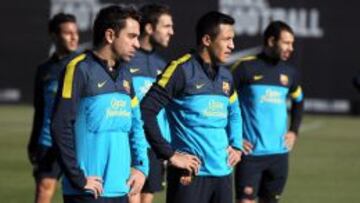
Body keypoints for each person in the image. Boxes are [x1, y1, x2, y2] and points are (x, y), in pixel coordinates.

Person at [140, 11, 243, 203]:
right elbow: (146, 111)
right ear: (206, 39)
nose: (232, 46)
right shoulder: (180, 70)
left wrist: (236, 145)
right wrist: (169, 154)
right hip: (189, 175)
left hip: (223, 175)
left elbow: (235, 112)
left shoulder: (226, 76)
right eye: (227, 39)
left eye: (233, 40)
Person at [51, 5, 149, 203]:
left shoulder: (126, 75)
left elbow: (137, 124)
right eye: (131, 36)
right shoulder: (79, 69)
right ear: (110, 35)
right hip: (87, 193)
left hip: (121, 191)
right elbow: (60, 126)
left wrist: (141, 167)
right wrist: (77, 178)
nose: (137, 44)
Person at [231, 21, 304, 203]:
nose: (291, 48)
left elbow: (299, 101)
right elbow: (222, 101)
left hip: (279, 156)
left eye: (292, 43)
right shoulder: (244, 68)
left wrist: (294, 131)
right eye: (286, 43)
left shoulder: (289, 73)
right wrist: (234, 137)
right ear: (271, 41)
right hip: (250, 156)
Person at [122, 4, 174, 203]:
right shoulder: (125, 60)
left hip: (155, 144)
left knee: (147, 198)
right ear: (150, 28)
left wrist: (167, 147)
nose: (172, 31)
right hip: (132, 145)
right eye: (166, 26)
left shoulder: (163, 65)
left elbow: (165, 110)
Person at [27, 13, 79, 203]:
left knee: (80, 194)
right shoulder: (45, 70)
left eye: (76, 33)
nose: (74, 37)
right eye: (68, 33)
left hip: (76, 143)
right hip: (48, 142)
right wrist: (34, 142)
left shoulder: (83, 65)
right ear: (54, 36)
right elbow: (39, 109)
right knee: (44, 189)